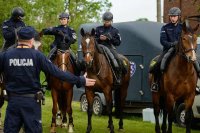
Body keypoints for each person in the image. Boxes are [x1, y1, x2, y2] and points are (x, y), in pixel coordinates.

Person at [0, 26, 96, 133]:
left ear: (18, 39)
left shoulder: (5, 55)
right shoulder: (38, 56)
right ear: (32, 40)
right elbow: (58, 72)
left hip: (13, 103)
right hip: (31, 103)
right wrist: (80, 80)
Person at [150, 7, 200, 91]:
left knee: (196, 65)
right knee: (158, 63)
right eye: (171, 16)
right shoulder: (165, 27)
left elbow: (189, 37)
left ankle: (196, 86)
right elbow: (162, 41)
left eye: (174, 16)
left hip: (182, 50)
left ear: (178, 17)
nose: (172, 18)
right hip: (168, 49)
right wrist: (172, 44)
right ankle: (155, 83)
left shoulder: (183, 28)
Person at [95, 11, 122, 84]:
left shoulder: (115, 30)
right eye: (105, 21)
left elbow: (118, 42)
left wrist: (109, 38)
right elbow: (93, 39)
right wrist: (99, 39)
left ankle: (118, 77)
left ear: (111, 21)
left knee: (117, 59)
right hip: (99, 46)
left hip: (109, 47)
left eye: (108, 21)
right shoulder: (98, 29)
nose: (106, 22)